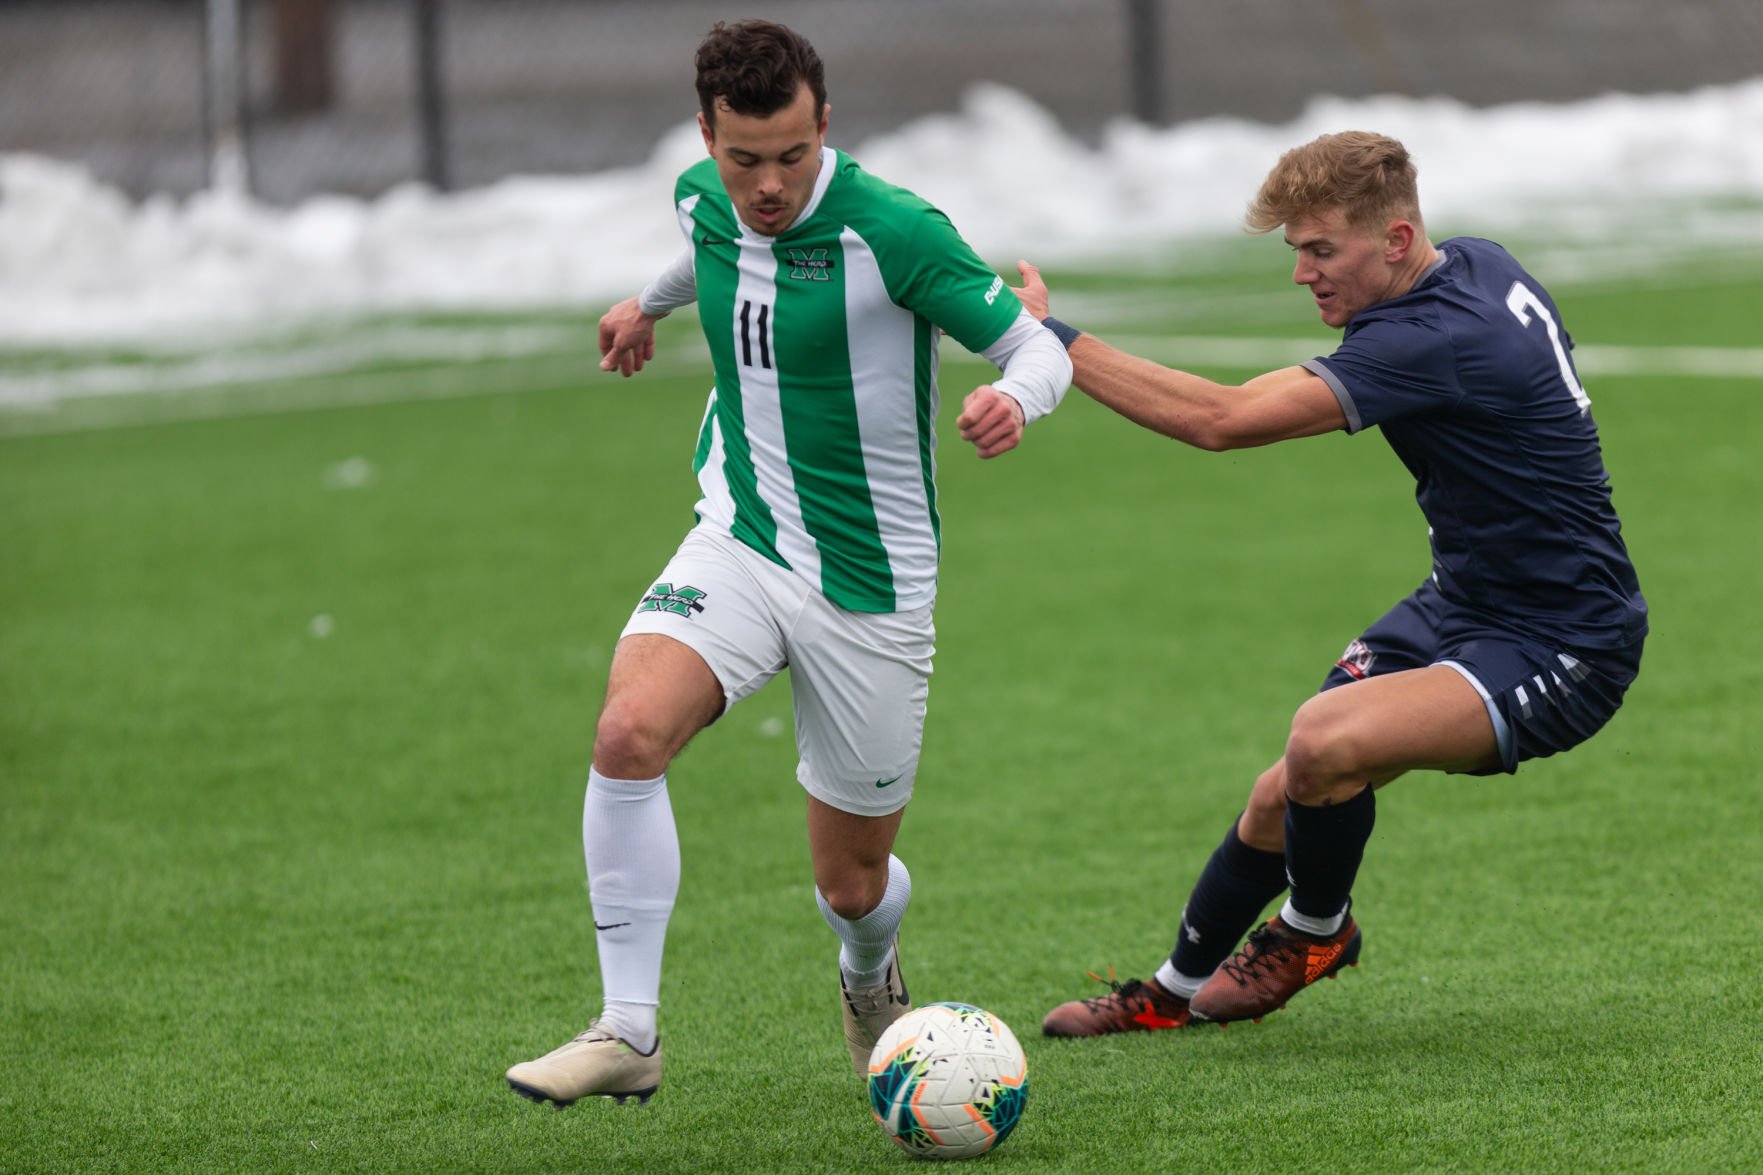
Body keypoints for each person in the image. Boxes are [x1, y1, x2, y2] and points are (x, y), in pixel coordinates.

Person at [505, 20, 1071, 1105]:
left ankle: (869, 970)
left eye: (792, 157)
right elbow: (712, 246)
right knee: (626, 732)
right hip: (743, 535)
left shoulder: (894, 230)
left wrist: (1014, 397)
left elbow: (1033, 344)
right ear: (706, 138)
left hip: (870, 583)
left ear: (825, 128)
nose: (767, 186)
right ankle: (627, 1029)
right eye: (743, 159)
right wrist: (645, 305)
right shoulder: (702, 197)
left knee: (850, 883)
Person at [1030, 130, 1646, 1035]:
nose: (1301, 273)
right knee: (1284, 789)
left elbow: (1219, 420)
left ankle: (1316, 932)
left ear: (1394, 240)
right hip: (1464, 600)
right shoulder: (1474, 262)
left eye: (1319, 249)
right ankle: (1169, 994)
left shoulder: (1434, 336)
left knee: (1321, 741)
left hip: (1564, 640)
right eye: (1295, 250)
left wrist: (1045, 340)